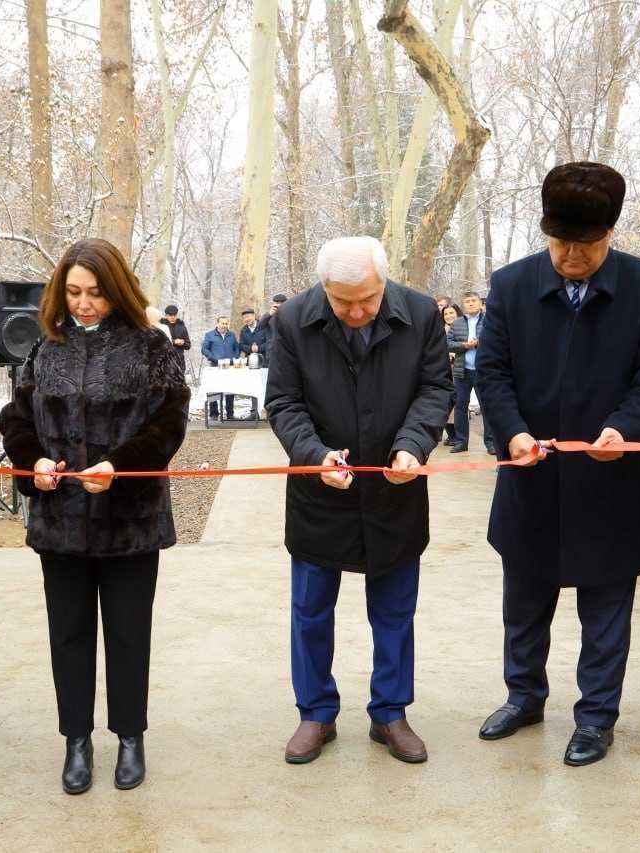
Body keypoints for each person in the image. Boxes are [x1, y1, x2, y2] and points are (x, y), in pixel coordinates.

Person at [474, 162, 640, 767]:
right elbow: (494, 371)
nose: (570, 255)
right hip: (531, 477)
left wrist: (625, 425)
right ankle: (524, 696)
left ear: (609, 235)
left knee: (607, 608)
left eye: (584, 245)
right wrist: (511, 433)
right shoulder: (511, 285)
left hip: (611, 481)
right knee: (525, 600)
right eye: (559, 241)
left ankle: (595, 718)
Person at [0, 238, 189, 794]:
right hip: (60, 521)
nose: (84, 304)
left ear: (118, 292)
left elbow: (169, 423)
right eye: (75, 292)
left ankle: (130, 736)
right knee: (70, 636)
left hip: (130, 521)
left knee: (129, 635)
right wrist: (29, 458)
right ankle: (75, 740)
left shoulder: (152, 348)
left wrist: (120, 464)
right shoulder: (44, 347)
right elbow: (16, 416)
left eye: (97, 294)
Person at [265, 236, 452, 766]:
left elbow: (436, 389)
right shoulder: (295, 319)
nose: (354, 312)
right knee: (310, 609)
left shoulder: (419, 314)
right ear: (323, 288)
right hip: (319, 490)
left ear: (383, 283)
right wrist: (312, 453)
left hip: (396, 488)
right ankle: (315, 712)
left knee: (394, 610)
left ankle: (390, 711)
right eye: (341, 301)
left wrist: (412, 445)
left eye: (366, 300)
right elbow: (282, 400)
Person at [446, 291, 496, 455]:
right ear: (463, 305)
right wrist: (464, 345)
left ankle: (490, 443)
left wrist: (481, 343)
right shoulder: (457, 323)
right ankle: (461, 442)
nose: (470, 304)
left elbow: (497, 339)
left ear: (481, 304)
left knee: (487, 407)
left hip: (483, 371)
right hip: (462, 372)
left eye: (473, 301)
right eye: (467, 301)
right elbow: (447, 343)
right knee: (460, 407)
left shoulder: (490, 320)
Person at [201, 315, 240, 420]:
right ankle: (214, 414)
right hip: (215, 366)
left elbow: (237, 348)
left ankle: (230, 414)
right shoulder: (209, 335)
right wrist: (214, 359)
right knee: (213, 389)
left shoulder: (231, 335)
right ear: (217, 324)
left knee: (230, 390)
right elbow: (205, 349)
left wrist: (234, 358)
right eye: (222, 323)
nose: (224, 325)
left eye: (226, 323)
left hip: (230, 367)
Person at [442, 303, 463, 446]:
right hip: (443, 371)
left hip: (459, 371)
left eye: (451, 313)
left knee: (459, 404)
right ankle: (451, 434)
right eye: (446, 314)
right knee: (445, 403)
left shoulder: (463, 328)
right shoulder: (440, 330)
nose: (449, 316)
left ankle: (458, 435)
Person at [160, 304, 191, 373]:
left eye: (175, 315)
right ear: (166, 315)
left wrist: (183, 343)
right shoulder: (161, 326)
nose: (173, 317)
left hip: (179, 362)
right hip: (165, 361)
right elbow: (159, 343)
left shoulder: (182, 326)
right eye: (171, 315)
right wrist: (174, 342)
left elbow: (188, 345)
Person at [257, 293, 287, 363]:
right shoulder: (269, 316)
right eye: (277, 303)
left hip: (286, 351)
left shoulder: (289, 314)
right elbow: (259, 326)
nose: (279, 305)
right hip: (272, 352)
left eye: (281, 303)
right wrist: (270, 314)